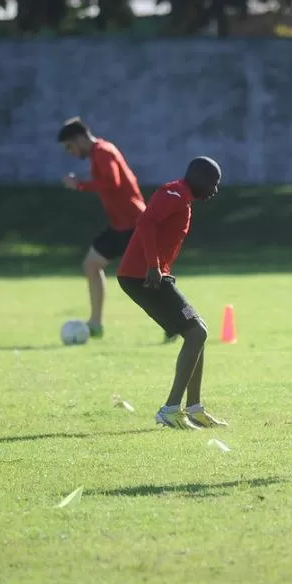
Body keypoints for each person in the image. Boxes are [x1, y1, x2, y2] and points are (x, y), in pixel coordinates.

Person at [117, 157, 227, 430]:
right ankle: (170, 409)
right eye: (213, 183)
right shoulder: (174, 193)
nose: (214, 190)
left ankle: (194, 408)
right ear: (198, 177)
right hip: (142, 277)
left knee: (198, 330)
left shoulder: (182, 197)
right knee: (197, 332)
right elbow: (145, 222)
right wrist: (153, 266)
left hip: (152, 276)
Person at [58, 117, 147, 339]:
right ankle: (96, 324)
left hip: (134, 226)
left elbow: (112, 182)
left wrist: (79, 184)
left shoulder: (103, 152)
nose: (71, 153)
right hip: (119, 227)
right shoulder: (100, 152)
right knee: (91, 264)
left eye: (70, 147)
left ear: (80, 139)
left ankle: (177, 321)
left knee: (148, 280)